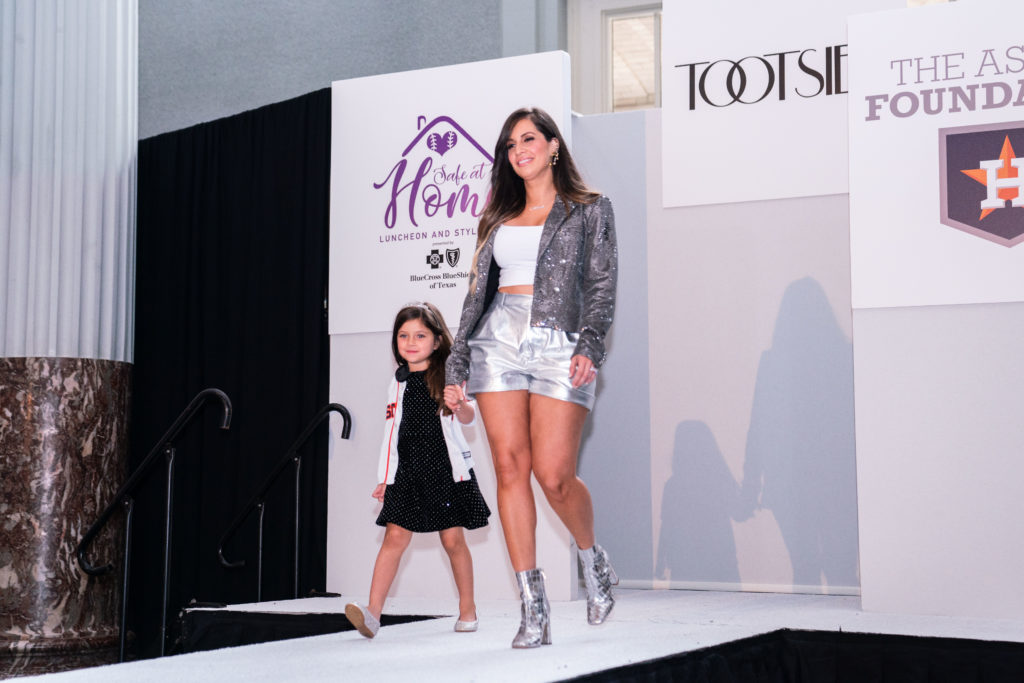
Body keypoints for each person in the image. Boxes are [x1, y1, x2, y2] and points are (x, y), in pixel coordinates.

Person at [445, 106, 618, 649]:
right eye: (510, 144)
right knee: (508, 467)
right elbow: (477, 294)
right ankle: (533, 608)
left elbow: (601, 283)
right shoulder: (496, 217)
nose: (519, 150)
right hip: (497, 340)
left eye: (528, 139)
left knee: (553, 474)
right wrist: (456, 361)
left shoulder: (589, 209)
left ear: (552, 146)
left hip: (560, 341)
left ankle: (595, 561)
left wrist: (590, 344)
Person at [345, 302, 490, 639]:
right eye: (403, 335)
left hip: (444, 470)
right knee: (394, 537)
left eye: (420, 335)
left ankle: (468, 610)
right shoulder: (397, 383)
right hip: (408, 472)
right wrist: (385, 477)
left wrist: (462, 405)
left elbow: (469, 418)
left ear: (437, 341)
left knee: (453, 539)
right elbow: (391, 432)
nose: (410, 342)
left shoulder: (451, 377)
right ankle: (373, 614)